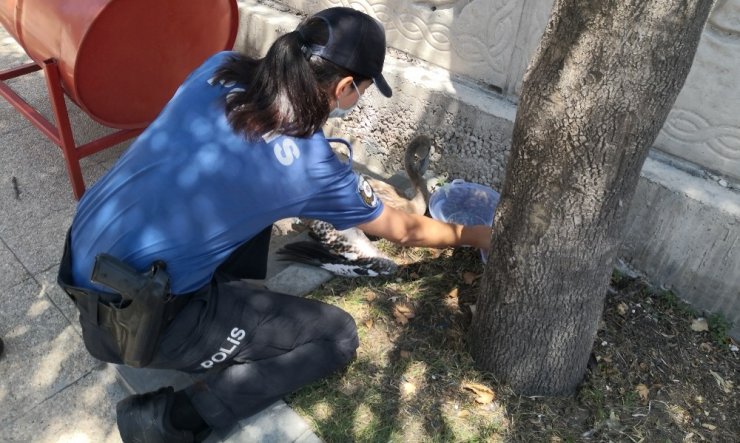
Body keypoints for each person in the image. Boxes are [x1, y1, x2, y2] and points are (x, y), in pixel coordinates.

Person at [57, 6, 491, 442]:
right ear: (343, 87)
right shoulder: (308, 164)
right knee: (336, 338)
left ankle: (215, 305)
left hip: (82, 259)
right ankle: (174, 421)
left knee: (238, 207)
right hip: (136, 323)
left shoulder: (221, 70)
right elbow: (404, 230)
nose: (357, 98)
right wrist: (479, 235)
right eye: (361, 89)